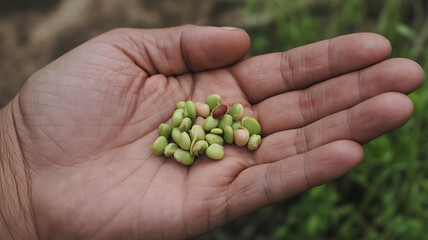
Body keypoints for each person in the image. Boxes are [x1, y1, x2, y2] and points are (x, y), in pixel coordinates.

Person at [0, 25, 424, 240]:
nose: (200, 128)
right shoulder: (192, 128)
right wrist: (15, 161)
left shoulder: (212, 126)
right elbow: (203, 131)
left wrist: (17, 172)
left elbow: (218, 128)